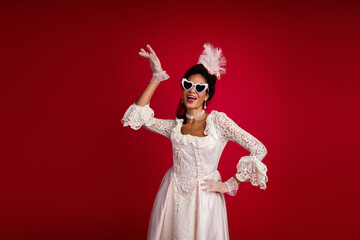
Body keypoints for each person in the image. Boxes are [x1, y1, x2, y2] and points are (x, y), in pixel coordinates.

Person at [121, 43, 268, 240]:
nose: (193, 91)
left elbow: (259, 148)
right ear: (182, 88)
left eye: (200, 87)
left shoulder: (218, 122)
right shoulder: (175, 126)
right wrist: (156, 76)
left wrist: (231, 184)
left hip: (205, 199)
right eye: (188, 84)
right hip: (172, 195)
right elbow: (137, 117)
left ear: (207, 94)